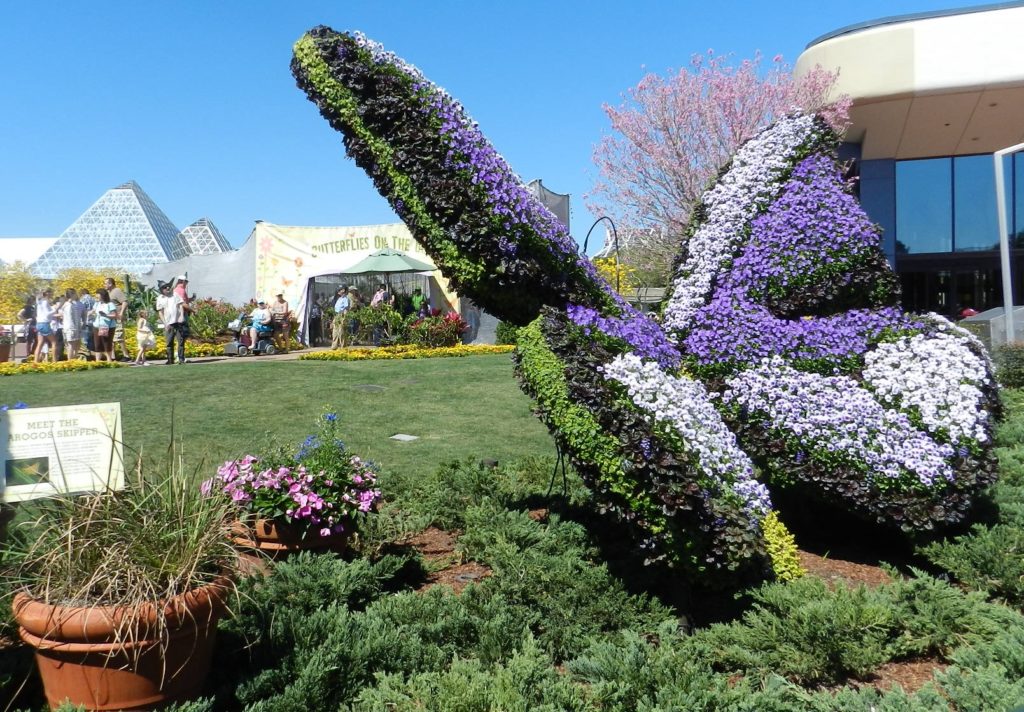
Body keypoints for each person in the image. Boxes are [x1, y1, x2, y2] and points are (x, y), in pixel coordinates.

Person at [156, 281, 187, 365]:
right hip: (168, 323)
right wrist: (165, 323)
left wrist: (181, 316)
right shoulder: (160, 298)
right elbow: (160, 312)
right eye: (165, 287)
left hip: (178, 322)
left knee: (180, 341)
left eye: (168, 286)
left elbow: (180, 305)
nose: (167, 288)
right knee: (169, 342)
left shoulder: (175, 295)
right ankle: (170, 360)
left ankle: (181, 359)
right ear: (161, 290)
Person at [104, 277, 131, 361]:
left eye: (105, 283)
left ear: (110, 284)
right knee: (111, 338)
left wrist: (121, 313)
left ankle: (126, 356)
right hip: (110, 318)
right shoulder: (109, 293)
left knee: (119, 337)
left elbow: (125, 302)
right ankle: (112, 357)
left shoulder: (117, 291)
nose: (104, 285)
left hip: (117, 317)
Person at [90, 288, 118, 362]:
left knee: (106, 343)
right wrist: (89, 314)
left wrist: (106, 315)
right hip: (97, 326)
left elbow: (115, 315)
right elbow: (93, 311)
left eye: (98, 295)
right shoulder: (97, 304)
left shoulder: (110, 304)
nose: (96, 297)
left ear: (103, 295)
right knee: (97, 343)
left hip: (106, 326)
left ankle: (109, 360)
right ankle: (98, 361)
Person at [33, 289, 56, 363]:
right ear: (47, 294)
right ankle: (54, 361)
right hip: (45, 323)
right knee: (54, 342)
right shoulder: (45, 302)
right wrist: (56, 308)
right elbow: (47, 314)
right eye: (51, 293)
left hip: (39, 324)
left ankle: (35, 362)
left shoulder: (39, 301)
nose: (52, 294)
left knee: (40, 343)